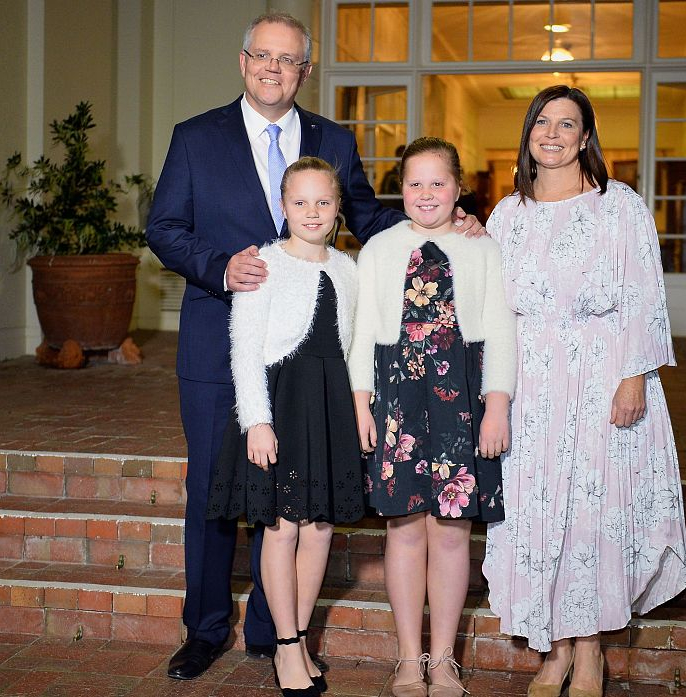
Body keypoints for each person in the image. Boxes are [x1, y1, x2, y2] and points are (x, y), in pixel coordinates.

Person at [145, 11, 484, 682]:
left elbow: (370, 217)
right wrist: (220, 268)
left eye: (287, 59)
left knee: (292, 496)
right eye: (262, 56)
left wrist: (444, 221)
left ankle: (278, 634)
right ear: (244, 62)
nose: (273, 69)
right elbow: (165, 227)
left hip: (308, 363)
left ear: (305, 70)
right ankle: (205, 629)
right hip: (220, 340)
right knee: (213, 489)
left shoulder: (334, 138)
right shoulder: (195, 137)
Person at [481, 85, 686, 697]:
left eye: (566, 123)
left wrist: (634, 377)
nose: (552, 133)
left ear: (585, 137)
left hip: (602, 377)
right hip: (530, 384)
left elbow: (645, 295)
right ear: (528, 133)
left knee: (593, 514)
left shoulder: (618, 206)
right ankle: (554, 650)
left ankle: (591, 650)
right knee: (539, 512)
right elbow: (490, 305)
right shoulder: (506, 214)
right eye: (541, 122)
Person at [348, 137, 517, 697]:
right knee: (403, 530)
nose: (426, 194)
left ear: (459, 188)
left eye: (438, 183)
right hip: (396, 402)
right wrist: (361, 404)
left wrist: (497, 405)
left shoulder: (482, 248)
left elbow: (502, 330)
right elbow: (362, 335)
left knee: (450, 532)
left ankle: (443, 660)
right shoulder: (378, 249)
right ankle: (407, 658)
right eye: (415, 183)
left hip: (459, 403)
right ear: (400, 189)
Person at [207, 157, 361, 697]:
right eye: (300, 202)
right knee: (282, 526)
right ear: (283, 206)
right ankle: (286, 645)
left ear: (338, 208)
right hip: (281, 404)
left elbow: (354, 346)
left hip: (329, 405)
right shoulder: (264, 265)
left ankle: (299, 636)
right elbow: (244, 351)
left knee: (320, 528)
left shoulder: (349, 268)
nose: (312, 212)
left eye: (323, 201)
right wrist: (257, 421)